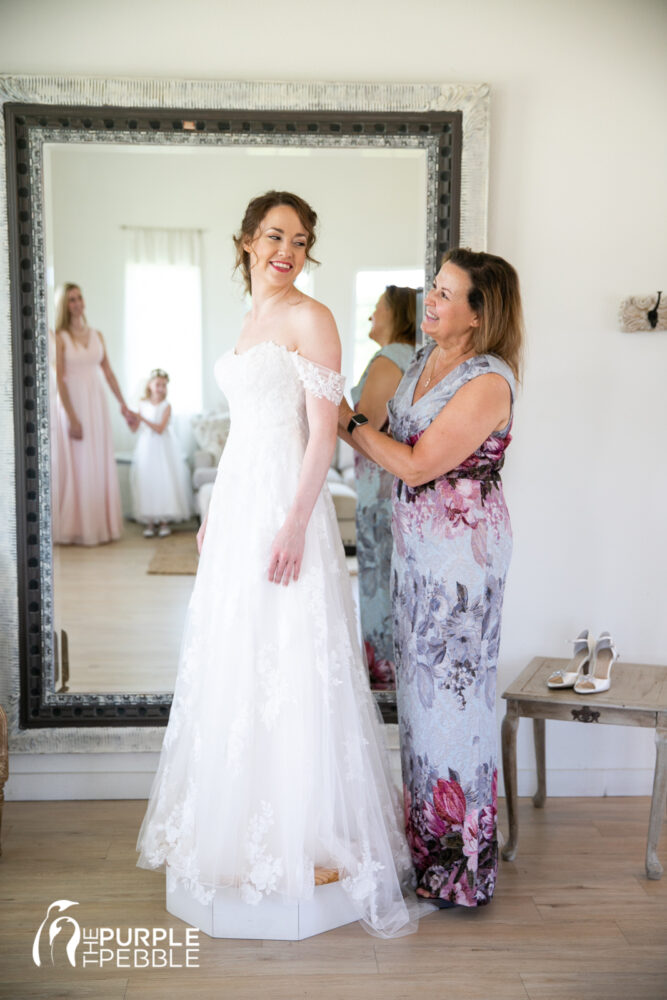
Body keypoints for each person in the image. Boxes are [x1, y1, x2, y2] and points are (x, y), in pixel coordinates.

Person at [137, 191, 417, 938]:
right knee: (235, 655)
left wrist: (296, 521)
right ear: (245, 242)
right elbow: (246, 434)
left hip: (286, 509)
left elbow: (320, 437)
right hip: (237, 504)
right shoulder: (251, 320)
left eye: (298, 238)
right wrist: (214, 516)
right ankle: (238, 827)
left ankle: (297, 835)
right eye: (272, 235)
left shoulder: (311, 318)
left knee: (288, 659)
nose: (285, 249)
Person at [339, 248, 523, 908]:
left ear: (478, 314)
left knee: (453, 709)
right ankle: (428, 859)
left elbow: (415, 466)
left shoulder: (487, 381)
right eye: (432, 289)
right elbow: (388, 432)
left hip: (459, 569)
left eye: (445, 293)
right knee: (419, 709)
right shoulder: (420, 361)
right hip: (415, 558)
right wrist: (351, 419)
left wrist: (348, 420)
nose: (430, 301)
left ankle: (462, 872)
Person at [351, 286, 416, 689]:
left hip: (379, 493)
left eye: (376, 310)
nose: (370, 318)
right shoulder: (414, 359)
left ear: (396, 314)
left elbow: (365, 428)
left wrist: (328, 406)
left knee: (378, 586)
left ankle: (384, 684)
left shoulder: (389, 359)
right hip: (391, 488)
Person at [53, 283, 136, 546]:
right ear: (64, 306)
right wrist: (72, 417)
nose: (77, 303)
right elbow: (59, 380)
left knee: (97, 462)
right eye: (71, 300)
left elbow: (108, 373)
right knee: (79, 464)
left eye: (79, 298)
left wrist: (124, 405)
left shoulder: (97, 335)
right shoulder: (59, 337)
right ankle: (77, 529)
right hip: (73, 404)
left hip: (96, 405)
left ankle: (100, 526)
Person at [130, 368, 193, 538]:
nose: (161, 388)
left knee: (164, 480)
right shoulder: (142, 405)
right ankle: (150, 522)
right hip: (146, 448)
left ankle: (164, 521)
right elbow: (135, 428)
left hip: (163, 447)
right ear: (150, 385)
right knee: (148, 481)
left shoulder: (167, 406)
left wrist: (141, 418)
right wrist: (132, 419)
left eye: (164, 385)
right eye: (158, 384)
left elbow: (159, 428)